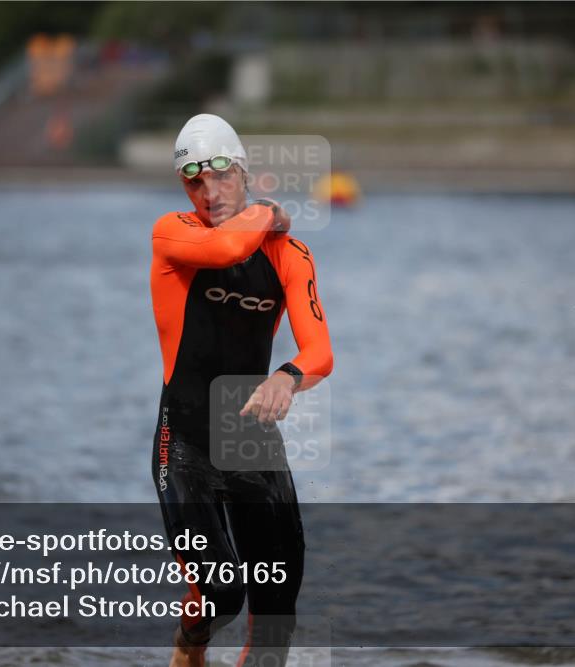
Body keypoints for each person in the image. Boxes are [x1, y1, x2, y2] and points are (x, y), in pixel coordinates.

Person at [149, 114, 334, 667]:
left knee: (277, 618)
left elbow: (320, 353)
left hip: (251, 443)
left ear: (244, 171)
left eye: (222, 175)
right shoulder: (172, 233)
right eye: (195, 181)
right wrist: (271, 212)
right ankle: (190, 646)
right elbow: (228, 250)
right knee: (222, 596)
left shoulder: (290, 256)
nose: (210, 192)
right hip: (183, 444)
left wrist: (287, 377)